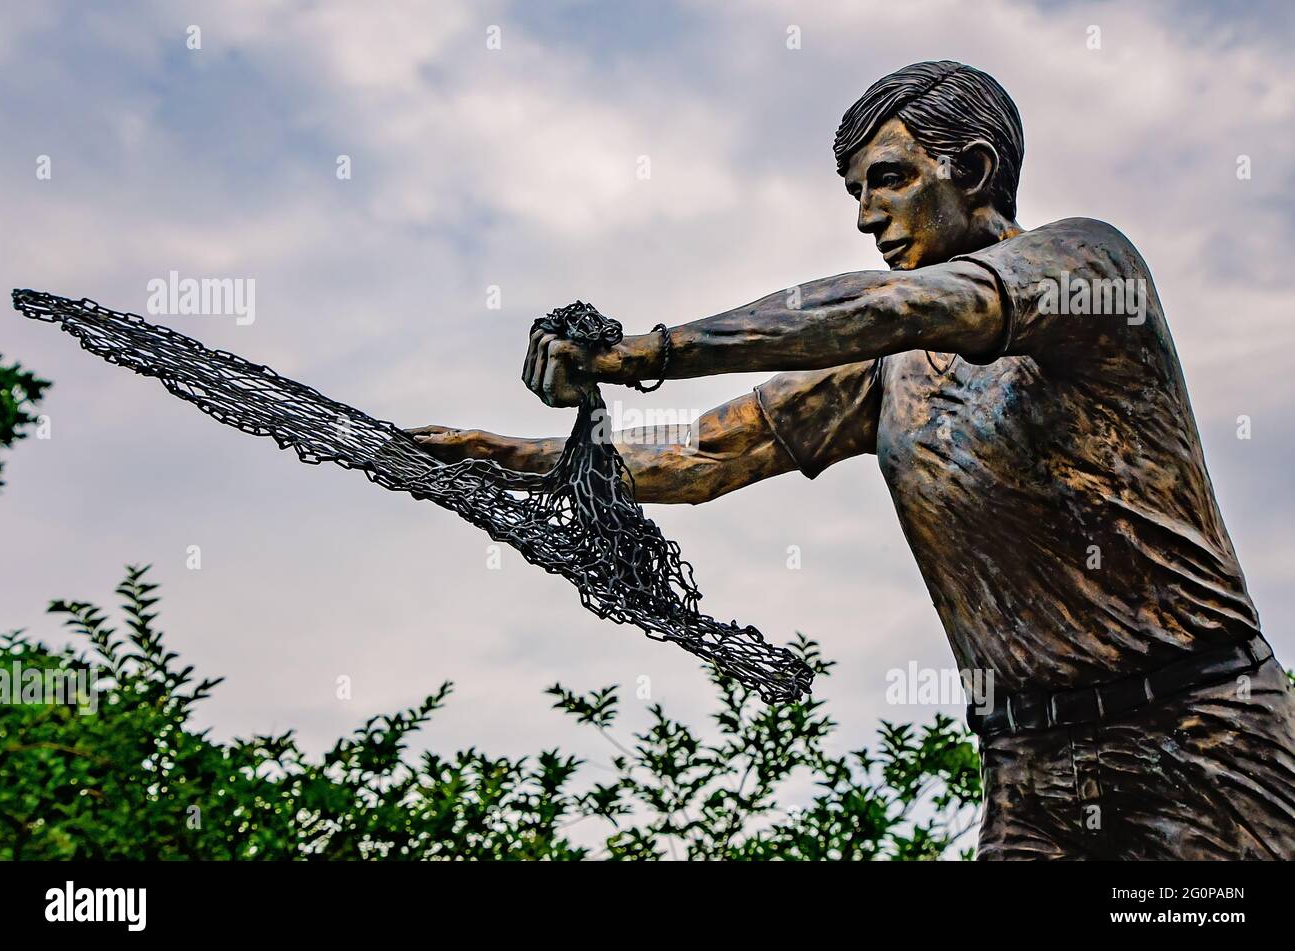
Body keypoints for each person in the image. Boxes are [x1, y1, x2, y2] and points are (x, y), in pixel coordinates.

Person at [411, 61, 1295, 859]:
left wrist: (645, 352)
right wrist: (501, 457)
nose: (867, 215)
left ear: (975, 170)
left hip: (1206, 733)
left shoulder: (1087, 267)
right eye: (854, 192)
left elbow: (881, 306)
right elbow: (701, 454)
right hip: (1030, 766)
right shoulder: (885, 370)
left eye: (889, 179)